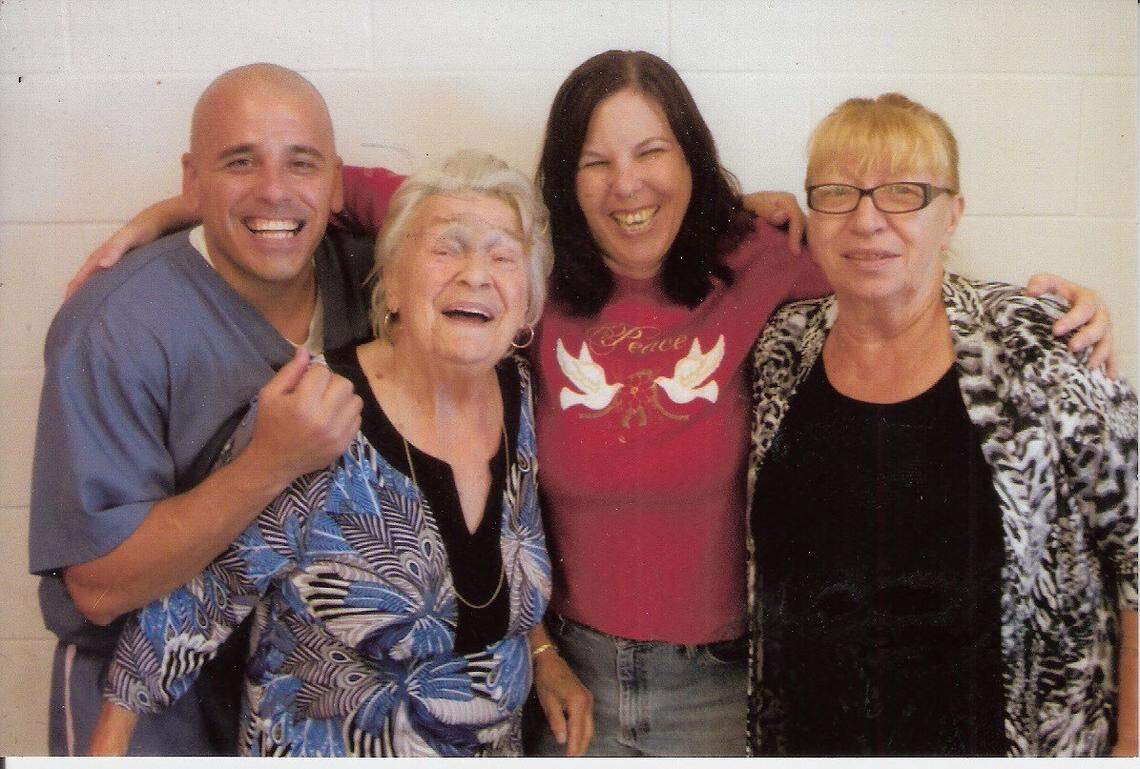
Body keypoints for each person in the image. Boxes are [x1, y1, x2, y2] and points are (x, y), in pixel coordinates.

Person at [69, 51, 1118, 756]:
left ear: (691, 159)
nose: (628, 184)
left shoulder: (767, 265)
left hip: (725, 687)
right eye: (596, 160)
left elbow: (886, 267)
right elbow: (326, 189)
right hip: (568, 685)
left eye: (653, 151)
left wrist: (1045, 313)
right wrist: (184, 206)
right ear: (561, 186)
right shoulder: (522, 278)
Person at [87, 150, 555, 757]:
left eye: (503, 256)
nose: (476, 275)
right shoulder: (320, 413)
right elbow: (199, 599)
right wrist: (106, 746)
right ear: (392, 286)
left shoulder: (518, 393)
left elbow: (498, 569)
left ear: (526, 304)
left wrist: (546, 657)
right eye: (447, 248)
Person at [745, 93, 1137, 757]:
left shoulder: (1036, 344)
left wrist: (1134, 748)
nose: (867, 220)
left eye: (904, 193)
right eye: (837, 194)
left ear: (952, 215)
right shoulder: (784, 345)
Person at [27, 63, 394, 755]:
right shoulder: (114, 325)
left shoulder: (380, 281)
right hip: (147, 700)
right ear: (192, 181)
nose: (275, 190)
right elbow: (97, 587)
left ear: (337, 182)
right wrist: (267, 465)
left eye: (302, 162)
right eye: (239, 162)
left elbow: (486, 226)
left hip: (309, 694)